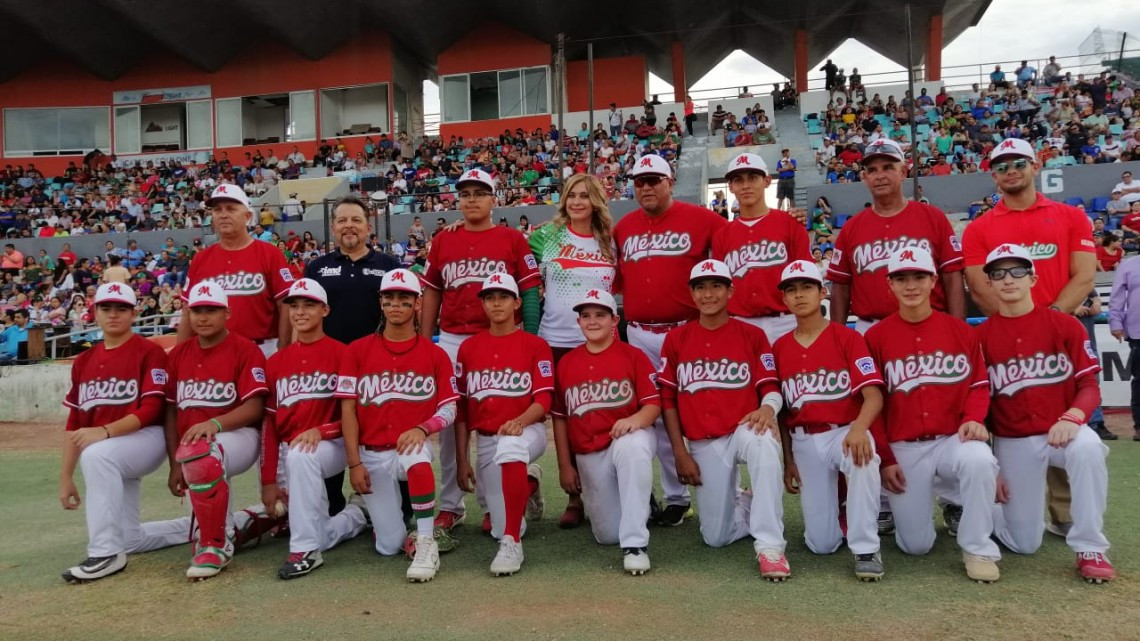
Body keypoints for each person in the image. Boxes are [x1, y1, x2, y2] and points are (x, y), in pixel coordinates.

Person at [961, 137, 1102, 534]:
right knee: (1014, 412)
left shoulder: (1071, 216)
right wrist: (1013, 319)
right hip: (1005, 330)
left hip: (1064, 323)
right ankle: (1012, 506)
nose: (1011, 170)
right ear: (993, 174)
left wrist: (1050, 319)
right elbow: (978, 283)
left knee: (1063, 413)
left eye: (1018, 162)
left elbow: (1085, 275)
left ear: (1035, 165)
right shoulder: (980, 227)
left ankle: (1068, 516)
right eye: (1002, 164)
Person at [977, 244, 1115, 583]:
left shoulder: (1065, 325)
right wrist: (988, 467)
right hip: (1013, 439)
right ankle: (993, 515)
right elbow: (977, 404)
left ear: (1033, 278)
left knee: (1088, 447)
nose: (1008, 279)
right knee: (1024, 544)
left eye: (1017, 271)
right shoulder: (978, 337)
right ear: (989, 284)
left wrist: (1073, 417)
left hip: (1061, 431)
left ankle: (1090, 547)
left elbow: (1089, 386)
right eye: (998, 273)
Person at [864, 248, 1001, 583]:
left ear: (933, 281)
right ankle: (931, 506)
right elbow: (871, 403)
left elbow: (979, 386)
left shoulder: (961, 331)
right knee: (915, 546)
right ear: (890, 285)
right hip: (905, 446)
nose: (911, 286)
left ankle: (978, 546)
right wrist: (885, 457)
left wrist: (973, 418)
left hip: (953, 438)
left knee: (979, 459)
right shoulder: (874, 337)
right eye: (902, 278)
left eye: (919, 277)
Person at [419, 168, 541, 535]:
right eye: (465, 193)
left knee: (497, 418)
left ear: (494, 199)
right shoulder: (443, 239)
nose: (471, 199)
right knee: (448, 420)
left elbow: (530, 289)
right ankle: (452, 504)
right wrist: (426, 341)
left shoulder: (512, 239)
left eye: (479, 192)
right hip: (454, 338)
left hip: (501, 336)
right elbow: (432, 292)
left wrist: (529, 338)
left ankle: (495, 502)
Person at [613, 154, 729, 526]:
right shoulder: (624, 227)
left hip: (685, 329)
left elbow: (739, 243)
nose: (646, 187)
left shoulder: (703, 219)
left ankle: (720, 487)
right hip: (638, 333)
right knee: (653, 415)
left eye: (653, 180)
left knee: (697, 408)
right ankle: (674, 498)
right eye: (639, 181)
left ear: (670, 182)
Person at [658, 260, 788, 580]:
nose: (708, 294)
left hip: (743, 426)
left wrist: (768, 409)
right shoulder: (676, 340)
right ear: (691, 293)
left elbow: (771, 385)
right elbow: (668, 400)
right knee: (715, 537)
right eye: (700, 287)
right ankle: (745, 502)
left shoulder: (753, 335)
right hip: (704, 440)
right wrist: (679, 451)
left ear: (731, 291)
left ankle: (770, 546)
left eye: (716, 286)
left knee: (763, 442)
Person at [58, 283, 186, 582]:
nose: (113, 314)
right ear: (95, 314)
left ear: (133, 313)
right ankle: (197, 526)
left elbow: (152, 408)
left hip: (146, 439)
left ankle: (104, 552)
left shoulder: (149, 352)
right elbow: (75, 422)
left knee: (97, 455)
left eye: (121, 308)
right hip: (111, 446)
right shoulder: (84, 361)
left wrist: (105, 431)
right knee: (130, 538)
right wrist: (65, 477)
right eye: (106, 308)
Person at [340, 269, 459, 582]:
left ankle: (425, 540)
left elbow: (449, 407)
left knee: (417, 456)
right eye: (389, 298)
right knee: (388, 546)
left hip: (409, 445)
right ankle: (365, 516)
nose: (396, 304)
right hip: (372, 452)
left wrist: (423, 428)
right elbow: (348, 409)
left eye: (404, 299)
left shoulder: (435, 353)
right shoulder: (356, 350)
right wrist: (354, 462)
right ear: (380, 302)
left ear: (417, 304)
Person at [773, 260, 884, 581]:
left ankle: (866, 546)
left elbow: (873, 395)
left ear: (822, 291)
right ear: (784, 300)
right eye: (791, 290)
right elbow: (783, 413)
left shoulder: (846, 338)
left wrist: (860, 429)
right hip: (805, 439)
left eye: (806, 287)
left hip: (845, 431)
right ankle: (841, 517)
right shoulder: (780, 348)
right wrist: (788, 459)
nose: (799, 295)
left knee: (863, 458)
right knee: (821, 544)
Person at [261, 279, 367, 580]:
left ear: (325, 310)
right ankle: (356, 516)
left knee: (301, 454)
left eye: (308, 305)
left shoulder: (342, 353)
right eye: (294, 305)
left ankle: (305, 550)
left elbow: (354, 413)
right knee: (317, 527)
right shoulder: (276, 362)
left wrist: (323, 430)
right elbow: (269, 424)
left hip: (332, 444)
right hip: (291, 448)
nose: (300, 311)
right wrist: (269, 480)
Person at [527, 173, 617, 528]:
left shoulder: (611, 241)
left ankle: (609, 485)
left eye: (585, 196)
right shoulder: (544, 237)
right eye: (571, 195)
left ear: (597, 200)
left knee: (599, 417)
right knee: (563, 418)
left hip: (601, 344)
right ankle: (574, 496)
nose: (577, 202)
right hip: (556, 342)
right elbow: (524, 282)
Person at [165, 280, 268, 580]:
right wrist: (174, 464)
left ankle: (216, 545)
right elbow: (170, 412)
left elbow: (255, 407)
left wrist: (216, 423)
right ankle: (241, 524)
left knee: (204, 454)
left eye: (211, 310)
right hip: (193, 447)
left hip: (240, 436)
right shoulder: (179, 354)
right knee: (200, 458)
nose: (203, 317)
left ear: (227, 313)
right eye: (197, 310)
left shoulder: (245, 349)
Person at [551, 288, 659, 574]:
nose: (592, 321)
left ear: (615, 320)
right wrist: (564, 465)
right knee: (608, 535)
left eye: (600, 315)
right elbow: (560, 418)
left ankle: (635, 543)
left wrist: (635, 420)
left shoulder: (632, 355)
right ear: (578, 322)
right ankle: (638, 500)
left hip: (625, 441)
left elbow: (652, 405)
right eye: (586, 316)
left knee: (632, 444)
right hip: (589, 451)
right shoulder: (567, 363)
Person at [454, 274, 552, 576]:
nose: (496, 302)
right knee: (497, 526)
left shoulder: (535, 345)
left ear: (517, 302)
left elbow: (544, 401)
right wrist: (461, 460)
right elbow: (462, 411)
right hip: (486, 438)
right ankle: (530, 482)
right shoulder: (468, 348)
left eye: (503, 296)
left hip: (526, 431)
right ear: (483, 304)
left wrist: (519, 421)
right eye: (489, 297)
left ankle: (512, 544)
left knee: (511, 448)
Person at [828, 139, 966, 333]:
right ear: (864, 177)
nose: (880, 176)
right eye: (872, 170)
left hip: (928, 324)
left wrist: (957, 329)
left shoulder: (933, 218)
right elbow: (840, 286)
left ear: (903, 172)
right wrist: (837, 336)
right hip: (869, 328)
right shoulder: (851, 228)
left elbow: (952, 276)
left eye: (888, 167)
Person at [178, 184, 294, 356]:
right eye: (217, 210)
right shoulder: (200, 259)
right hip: (211, 352)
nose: (223, 215)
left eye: (231, 209)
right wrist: (178, 357)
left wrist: (284, 352)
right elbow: (188, 311)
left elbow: (285, 305)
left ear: (247, 216)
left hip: (261, 349)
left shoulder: (270, 253)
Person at [713, 153, 812, 344]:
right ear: (731, 186)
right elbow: (721, 287)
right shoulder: (722, 234)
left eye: (753, 178)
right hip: (740, 322)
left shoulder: (790, 222)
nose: (746, 185)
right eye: (738, 180)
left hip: (788, 320)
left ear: (766, 181)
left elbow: (806, 276)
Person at [1108, 253, 1140, 441]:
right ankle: (1139, 425)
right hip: (1138, 332)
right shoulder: (1128, 266)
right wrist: (1115, 323)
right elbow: (1117, 297)